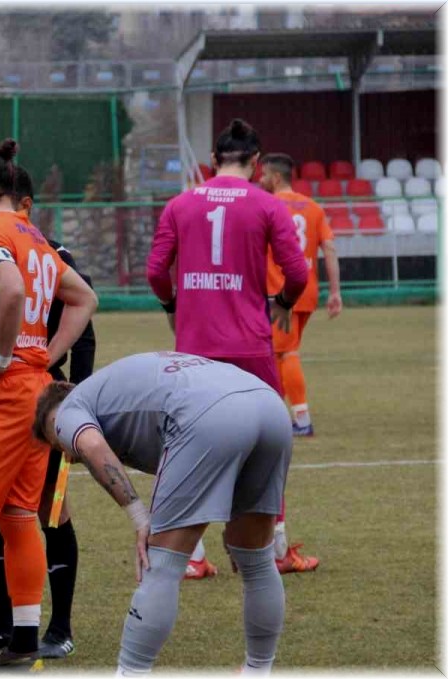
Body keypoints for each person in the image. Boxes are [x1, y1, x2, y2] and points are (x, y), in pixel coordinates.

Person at [0, 139, 98, 668]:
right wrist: (41, 358)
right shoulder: (33, 235)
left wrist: (6, 357)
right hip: (33, 394)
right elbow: (84, 298)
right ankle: (25, 641)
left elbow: (8, 290)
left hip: (3, 395)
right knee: (18, 516)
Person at [32, 351, 291, 676]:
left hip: (208, 415)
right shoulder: (113, 389)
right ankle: (258, 670)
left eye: (58, 447)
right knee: (256, 562)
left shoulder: (68, 410)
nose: (67, 457)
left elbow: (92, 446)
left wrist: (140, 517)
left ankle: (131, 673)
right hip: (268, 405)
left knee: (162, 566)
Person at [145, 118, 316, 579]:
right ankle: (271, 549)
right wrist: (281, 303)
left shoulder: (181, 203)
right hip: (251, 346)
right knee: (269, 446)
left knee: (188, 445)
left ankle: (192, 558)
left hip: (196, 346)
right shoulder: (266, 203)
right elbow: (297, 272)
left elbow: (157, 269)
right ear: (257, 165)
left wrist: (171, 305)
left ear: (213, 162)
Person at [258, 152, 343, 439]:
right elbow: (329, 248)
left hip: (280, 294)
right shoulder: (314, 207)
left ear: (276, 177)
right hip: (307, 291)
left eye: (264, 174)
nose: (260, 179)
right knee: (281, 353)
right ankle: (277, 415)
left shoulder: (267, 206)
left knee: (284, 352)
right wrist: (335, 291)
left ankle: (302, 420)